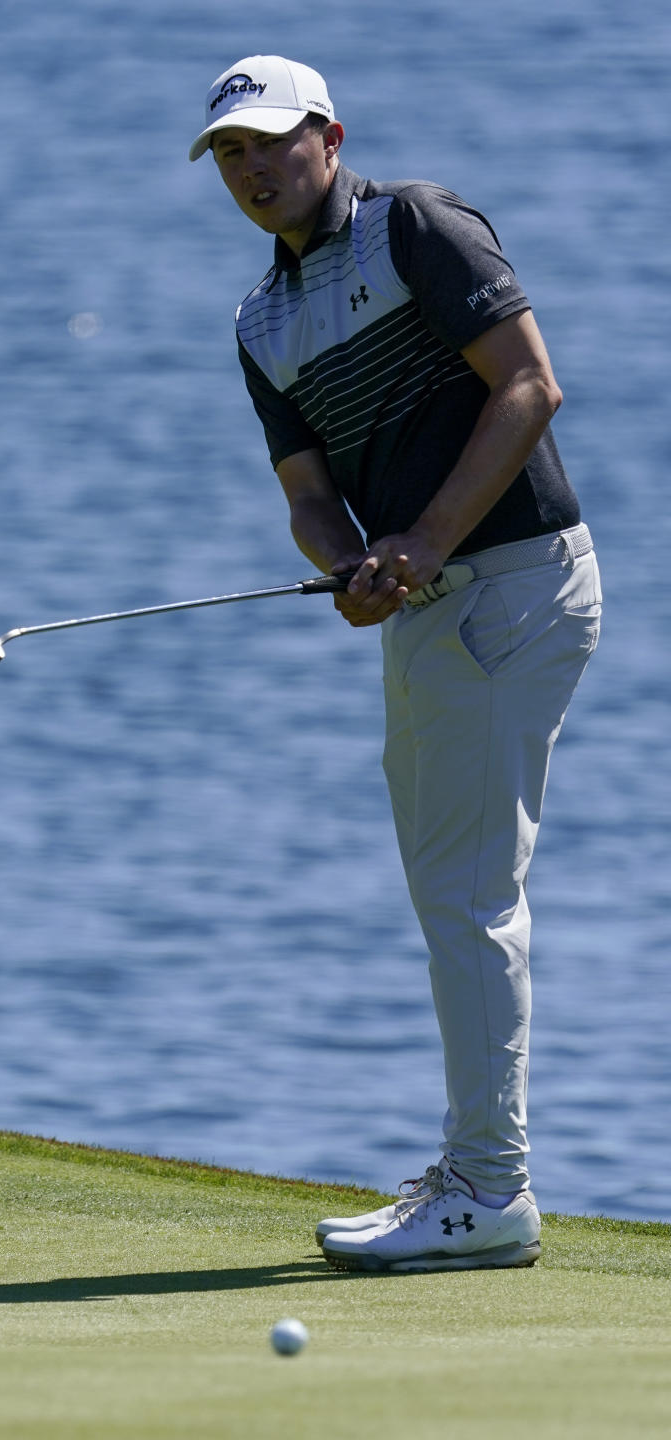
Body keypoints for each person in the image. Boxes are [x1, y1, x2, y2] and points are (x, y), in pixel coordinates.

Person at [189, 56, 602, 1273]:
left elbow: (529, 388)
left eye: (271, 142)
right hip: (433, 607)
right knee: (452, 898)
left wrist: (418, 542)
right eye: (230, 156)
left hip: (513, 587)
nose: (254, 170)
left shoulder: (414, 226)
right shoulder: (260, 323)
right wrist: (350, 564)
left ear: (328, 136)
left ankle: (489, 1189)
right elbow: (309, 496)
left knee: (470, 898)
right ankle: (478, 1170)